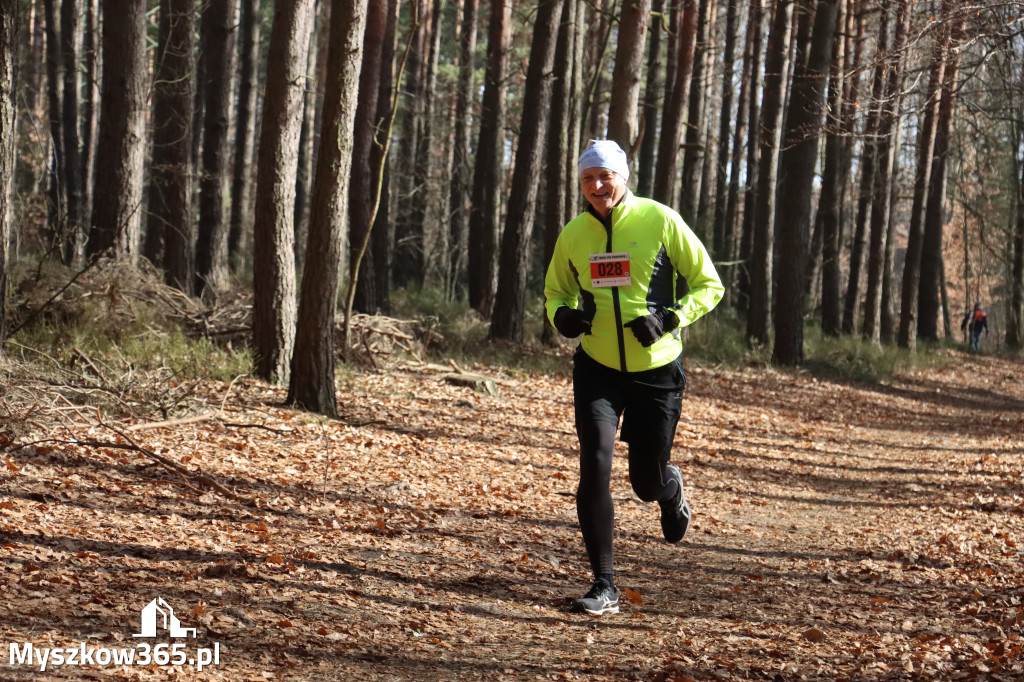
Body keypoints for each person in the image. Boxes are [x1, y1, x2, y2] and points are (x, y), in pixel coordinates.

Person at [544, 139, 724, 616]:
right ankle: (604, 584)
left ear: (624, 177)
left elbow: (710, 284)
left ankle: (670, 488)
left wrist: (669, 318)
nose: (598, 186)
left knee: (645, 481)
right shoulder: (574, 234)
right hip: (597, 368)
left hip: (657, 370)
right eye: (588, 178)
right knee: (595, 463)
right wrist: (562, 316)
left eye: (606, 176)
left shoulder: (659, 220)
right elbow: (555, 292)